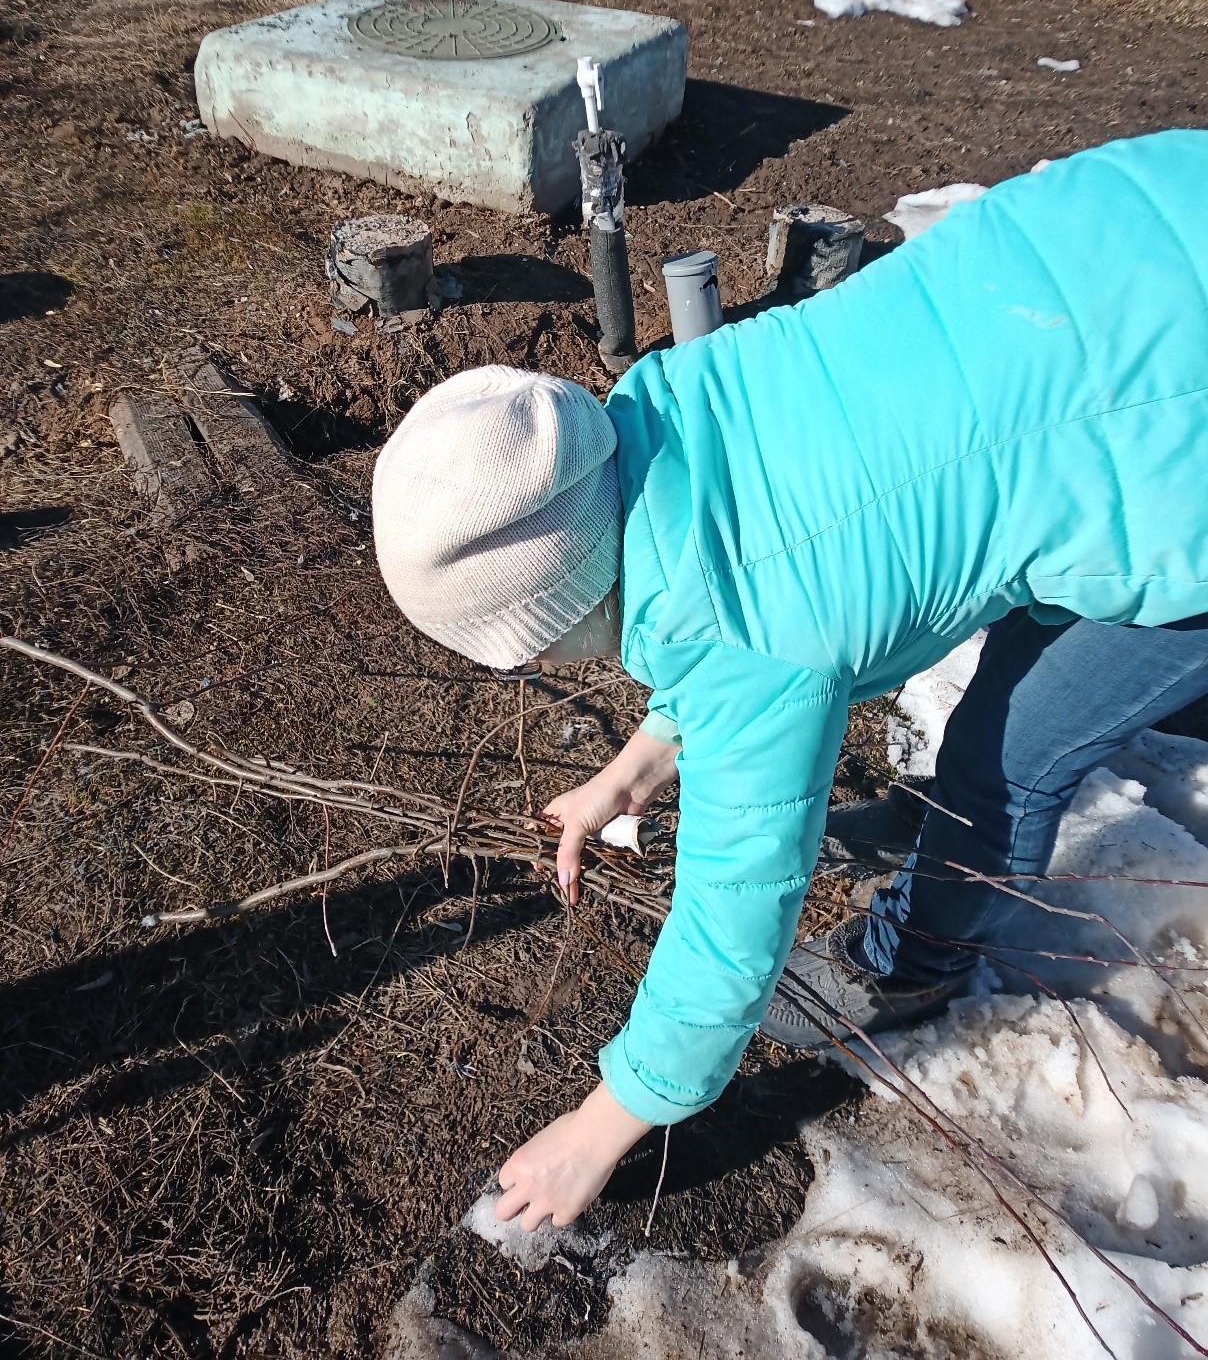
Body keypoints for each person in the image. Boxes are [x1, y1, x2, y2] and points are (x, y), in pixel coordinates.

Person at [371, 129, 1208, 1232]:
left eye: (525, 647)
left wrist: (607, 1119)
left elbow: (734, 916)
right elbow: (756, 567)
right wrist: (641, 763)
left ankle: (917, 959)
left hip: (1175, 435)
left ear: (559, 609)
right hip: (1137, 230)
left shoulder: (746, 636)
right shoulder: (690, 405)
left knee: (1011, 751)